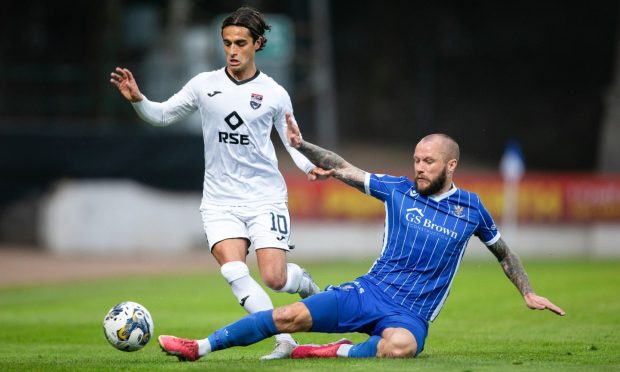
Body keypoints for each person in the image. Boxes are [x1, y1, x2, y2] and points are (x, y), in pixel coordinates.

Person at [157, 114, 565, 361]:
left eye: (428, 161)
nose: (419, 167)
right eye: (416, 159)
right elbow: (343, 167)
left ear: (450, 165)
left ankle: (338, 351)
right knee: (287, 317)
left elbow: (503, 251)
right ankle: (200, 347)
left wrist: (527, 291)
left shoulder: (472, 208)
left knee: (401, 347)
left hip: (410, 316)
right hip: (368, 292)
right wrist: (303, 146)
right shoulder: (398, 190)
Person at [110, 7, 330, 360]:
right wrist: (139, 100)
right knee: (234, 270)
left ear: (258, 43)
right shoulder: (204, 85)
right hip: (219, 200)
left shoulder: (274, 93)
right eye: (227, 42)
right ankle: (284, 340)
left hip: (265, 198)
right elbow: (162, 114)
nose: (232, 50)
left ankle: (305, 284)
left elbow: (293, 141)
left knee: (275, 279)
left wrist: (309, 167)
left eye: (240, 43)